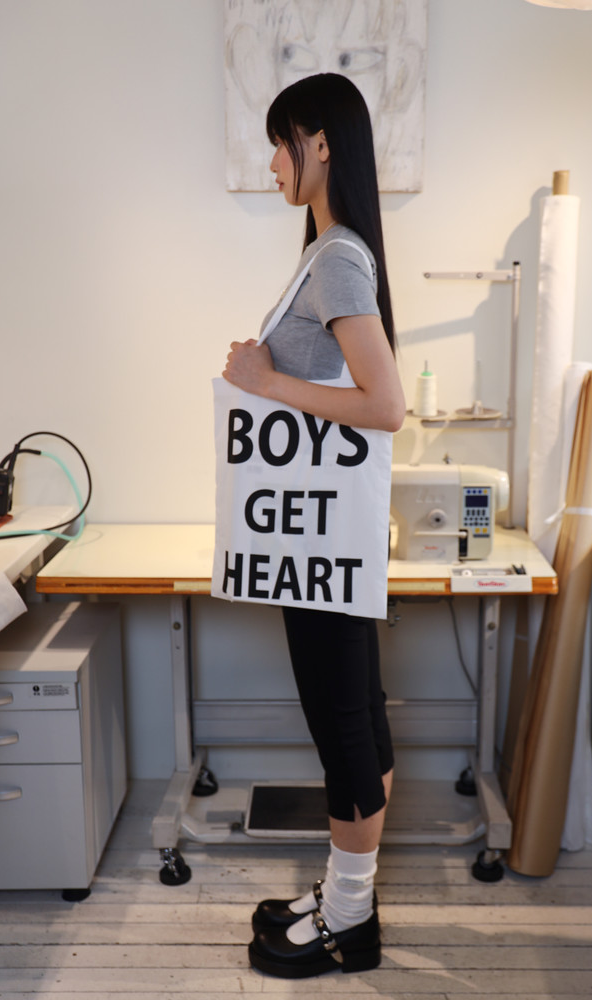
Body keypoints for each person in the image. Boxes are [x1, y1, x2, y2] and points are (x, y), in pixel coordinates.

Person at [222, 72, 406, 979]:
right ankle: (344, 897)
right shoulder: (332, 251)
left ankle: (349, 921)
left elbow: (385, 404)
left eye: (280, 142)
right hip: (321, 540)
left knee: (344, 731)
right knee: (357, 719)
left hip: (321, 542)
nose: (272, 164)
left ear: (320, 143)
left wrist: (266, 381)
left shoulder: (337, 258)